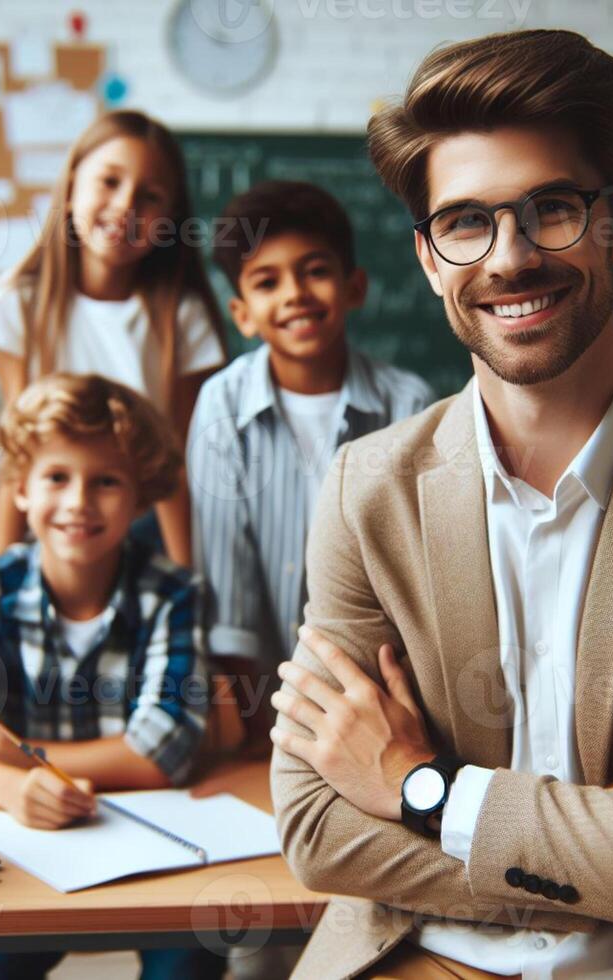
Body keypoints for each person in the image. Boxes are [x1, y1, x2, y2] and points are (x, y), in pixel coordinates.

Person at [269, 29, 613, 979]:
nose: (510, 258)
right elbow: (318, 829)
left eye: (552, 208)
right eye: (466, 222)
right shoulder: (366, 487)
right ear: (432, 259)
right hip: (409, 958)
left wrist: (422, 791)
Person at [0, 373, 218, 980]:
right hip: (26, 844)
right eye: (57, 477)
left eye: (105, 481)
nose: (78, 501)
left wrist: (22, 757)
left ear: (139, 496)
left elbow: (163, 750)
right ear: (21, 489)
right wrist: (11, 789)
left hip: (154, 844)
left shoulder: (174, 594)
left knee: (185, 965)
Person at [188, 179, 434, 750]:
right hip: (261, 710)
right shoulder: (220, 406)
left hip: (385, 704)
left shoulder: (409, 405)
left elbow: (417, 577)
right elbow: (228, 586)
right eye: (267, 282)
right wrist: (258, 728)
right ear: (242, 314)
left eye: (314, 270)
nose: (295, 293)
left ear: (354, 287)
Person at [0, 110, 227, 564]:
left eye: (150, 196)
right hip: (53, 526)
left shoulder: (181, 317)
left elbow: (179, 467)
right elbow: (17, 450)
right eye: (109, 182)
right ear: (71, 188)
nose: (127, 206)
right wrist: (1, 567)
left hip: (147, 537)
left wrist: (187, 578)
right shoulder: (19, 304)